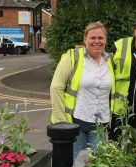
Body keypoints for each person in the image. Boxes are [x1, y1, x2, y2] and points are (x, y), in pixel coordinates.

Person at [50, 21, 116, 159]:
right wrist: (61, 122)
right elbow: (56, 87)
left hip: (100, 124)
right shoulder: (73, 57)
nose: (96, 41)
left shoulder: (110, 60)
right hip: (76, 123)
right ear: (85, 39)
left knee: (98, 165)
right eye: (92, 38)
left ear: (105, 40)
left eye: (100, 38)